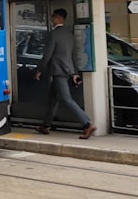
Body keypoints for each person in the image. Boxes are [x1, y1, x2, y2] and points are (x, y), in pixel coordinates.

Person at [35, 8, 96, 139]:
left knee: (66, 99)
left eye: (52, 17)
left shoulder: (54, 34)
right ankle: (46, 126)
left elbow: (47, 54)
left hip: (58, 71)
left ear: (56, 18)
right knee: (53, 100)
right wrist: (75, 73)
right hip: (67, 70)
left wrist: (40, 69)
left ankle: (87, 124)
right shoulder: (69, 34)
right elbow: (73, 56)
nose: (51, 20)